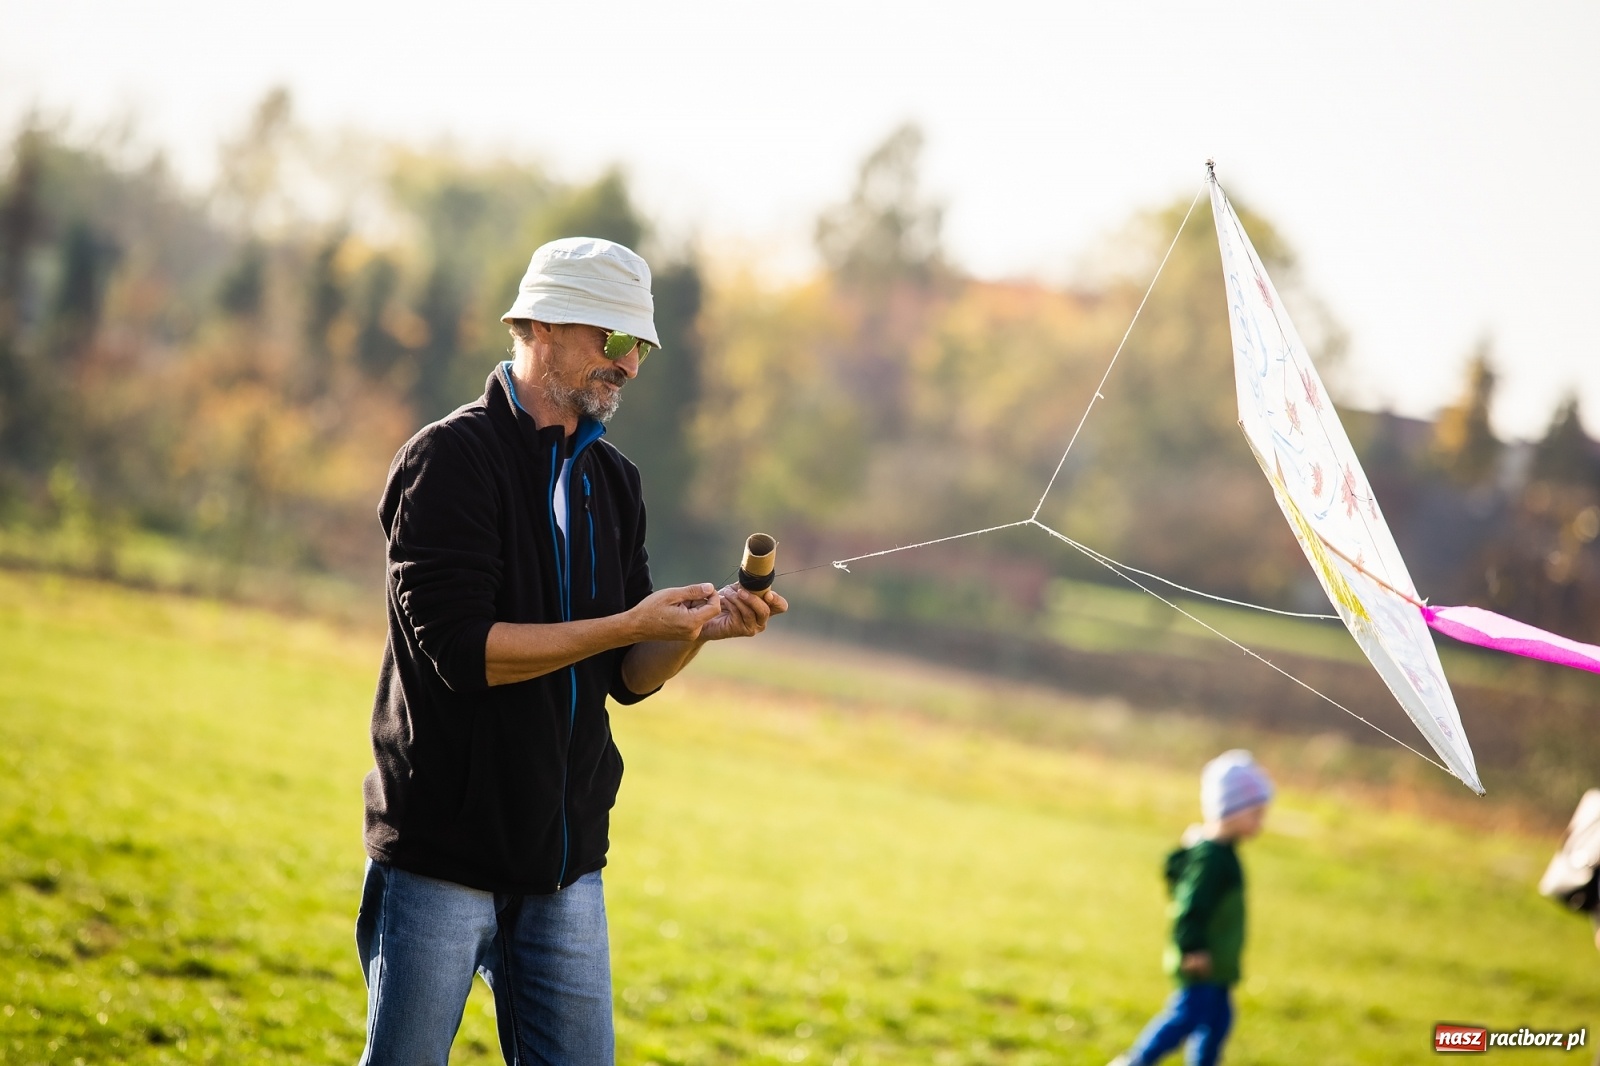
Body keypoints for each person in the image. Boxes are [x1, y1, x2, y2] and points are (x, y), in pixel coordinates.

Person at [355, 237, 788, 1066]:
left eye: (642, 348)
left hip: (567, 866)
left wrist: (691, 633)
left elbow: (627, 679)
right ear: (541, 326)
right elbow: (465, 653)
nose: (628, 367)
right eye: (613, 341)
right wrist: (630, 623)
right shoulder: (447, 461)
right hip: (442, 854)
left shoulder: (616, 483)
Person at [1110, 750, 1274, 1066]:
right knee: (1185, 1018)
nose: (1261, 822)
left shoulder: (1221, 852)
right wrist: (1193, 946)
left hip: (1219, 964)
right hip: (1202, 961)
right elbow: (1189, 906)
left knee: (1217, 1023)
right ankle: (1137, 1061)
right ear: (1231, 809)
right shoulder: (1211, 859)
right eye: (1256, 813)